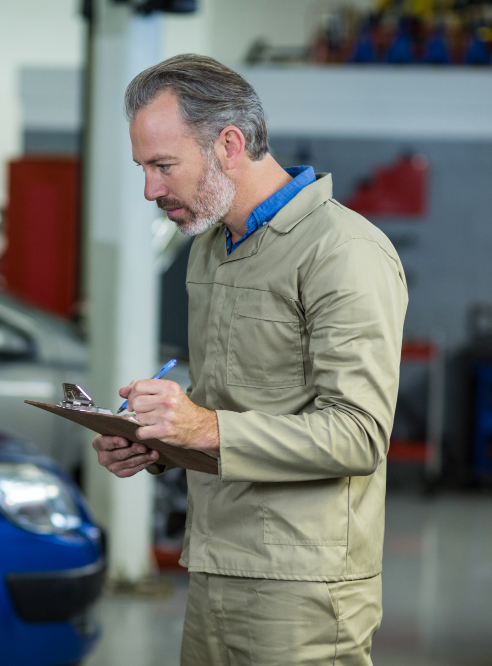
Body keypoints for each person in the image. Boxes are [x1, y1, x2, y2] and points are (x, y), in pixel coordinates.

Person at [91, 54, 408, 665]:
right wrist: (155, 441)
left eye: (163, 166)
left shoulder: (343, 253)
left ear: (228, 144)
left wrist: (203, 426)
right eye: (143, 168)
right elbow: (238, 410)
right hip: (213, 564)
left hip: (301, 585)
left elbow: (360, 435)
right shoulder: (210, 249)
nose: (151, 189)